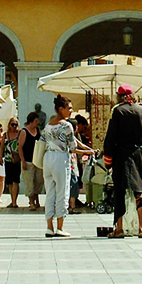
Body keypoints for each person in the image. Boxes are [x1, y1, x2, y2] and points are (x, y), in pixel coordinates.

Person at [102, 84, 142, 238]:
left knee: (119, 192)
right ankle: (141, 229)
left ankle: (119, 229)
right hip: (138, 154)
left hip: (121, 154)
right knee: (138, 191)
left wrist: (108, 159)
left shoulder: (117, 111)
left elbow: (111, 137)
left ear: (119, 96)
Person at [41, 95, 88, 238]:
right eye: (69, 108)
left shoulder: (49, 124)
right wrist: (87, 151)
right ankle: (60, 227)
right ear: (61, 109)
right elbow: (72, 147)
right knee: (62, 193)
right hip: (61, 158)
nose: (71, 111)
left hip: (47, 157)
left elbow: (42, 139)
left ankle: (49, 226)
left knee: (50, 193)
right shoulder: (66, 125)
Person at [3, 117, 22, 208]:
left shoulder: (19, 134)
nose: (14, 126)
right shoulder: (5, 135)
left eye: (15, 124)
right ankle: (12, 200)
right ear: (9, 125)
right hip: (7, 159)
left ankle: (15, 201)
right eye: (12, 124)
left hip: (17, 160)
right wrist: (0, 157)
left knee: (15, 180)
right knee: (9, 181)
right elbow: (2, 146)